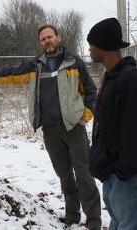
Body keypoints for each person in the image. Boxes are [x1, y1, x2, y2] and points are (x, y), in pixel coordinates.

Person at [0, 24, 101, 230]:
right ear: (41, 43)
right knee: (64, 175)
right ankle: (72, 217)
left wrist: (87, 113)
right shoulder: (35, 66)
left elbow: (91, 91)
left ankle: (94, 222)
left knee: (84, 175)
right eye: (43, 39)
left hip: (74, 128)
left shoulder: (74, 63)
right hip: (50, 130)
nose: (47, 41)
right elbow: (7, 73)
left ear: (58, 37)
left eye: (50, 37)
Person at [87, 18, 137, 230]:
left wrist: (123, 170)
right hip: (111, 173)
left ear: (102, 46)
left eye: (91, 44)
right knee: (117, 224)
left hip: (125, 177)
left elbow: (133, 129)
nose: (89, 49)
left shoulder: (130, 79)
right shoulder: (111, 77)